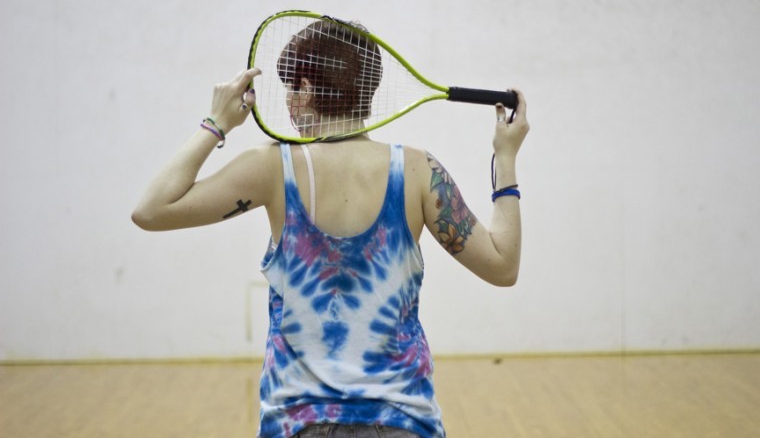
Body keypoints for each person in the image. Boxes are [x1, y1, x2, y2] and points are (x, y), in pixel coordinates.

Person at [132, 22, 529, 438]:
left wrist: (216, 122)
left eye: (290, 89)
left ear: (305, 89)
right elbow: (503, 267)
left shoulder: (271, 166)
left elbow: (151, 210)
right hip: (403, 421)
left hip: (298, 424)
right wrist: (506, 157)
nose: (287, 102)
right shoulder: (418, 172)